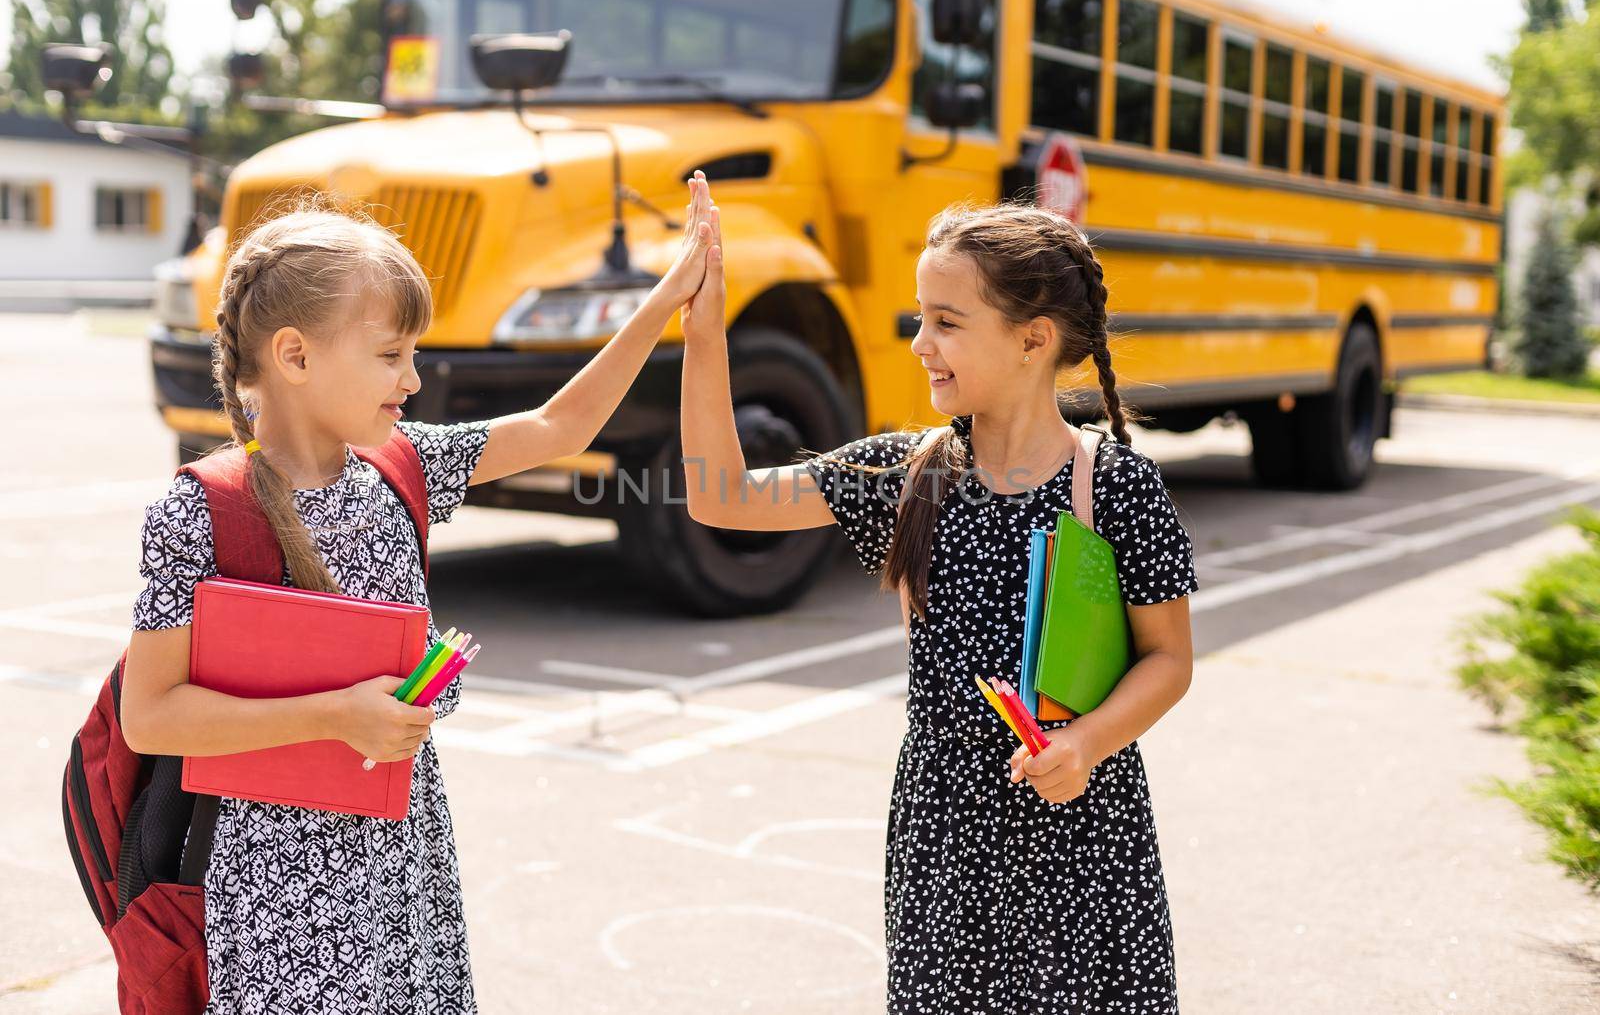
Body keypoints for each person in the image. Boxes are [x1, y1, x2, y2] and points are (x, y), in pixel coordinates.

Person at [119, 177, 717, 1014]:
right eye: (391, 354)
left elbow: (557, 427)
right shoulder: (200, 511)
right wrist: (337, 712)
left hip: (406, 873)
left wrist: (668, 297)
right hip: (277, 903)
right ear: (295, 356)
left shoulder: (406, 464)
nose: (414, 378)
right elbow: (149, 716)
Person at [679, 182, 1198, 1013]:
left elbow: (1169, 661)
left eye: (947, 322)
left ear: (1033, 341)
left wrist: (1090, 741)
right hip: (944, 839)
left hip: (1083, 834)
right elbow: (722, 496)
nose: (921, 342)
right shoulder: (911, 472)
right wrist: (706, 336)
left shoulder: (1118, 487)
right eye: (921, 316)